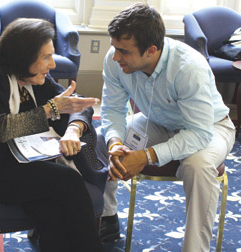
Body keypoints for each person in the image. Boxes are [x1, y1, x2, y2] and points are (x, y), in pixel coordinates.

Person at [0, 18, 104, 252]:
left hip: (24, 160)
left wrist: (74, 128)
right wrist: (51, 108)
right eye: (46, 57)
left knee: (51, 210)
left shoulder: (34, 77)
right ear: (23, 56)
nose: (52, 64)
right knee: (68, 180)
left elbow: (76, 104)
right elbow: (2, 130)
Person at [96, 3, 236, 251]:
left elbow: (200, 133)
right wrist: (116, 142)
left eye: (124, 51)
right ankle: (107, 216)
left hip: (210, 127)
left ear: (151, 50)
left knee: (197, 165)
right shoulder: (115, 59)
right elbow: (112, 110)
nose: (115, 57)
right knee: (99, 139)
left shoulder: (188, 67)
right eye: (114, 48)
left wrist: (147, 155)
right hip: (157, 123)